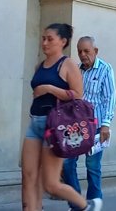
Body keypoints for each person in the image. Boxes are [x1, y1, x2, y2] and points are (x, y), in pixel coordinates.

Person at [21, 23, 102, 211]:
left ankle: (86, 206)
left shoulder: (68, 64)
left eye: (50, 39)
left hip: (56, 128)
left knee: (51, 184)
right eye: (43, 38)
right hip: (35, 123)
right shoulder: (39, 66)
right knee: (28, 177)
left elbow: (78, 95)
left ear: (62, 41)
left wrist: (49, 89)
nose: (45, 43)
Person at [62, 37, 116, 208]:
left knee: (92, 166)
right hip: (77, 127)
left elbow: (110, 98)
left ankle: (94, 203)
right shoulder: (77, 71)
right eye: (79, 51)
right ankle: (77, 203)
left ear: (96, 51)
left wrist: (106, 124)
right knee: (67, 163)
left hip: (97, 125)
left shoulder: (105, 69)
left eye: (86, 51)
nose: (83, 55)